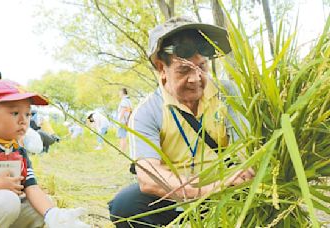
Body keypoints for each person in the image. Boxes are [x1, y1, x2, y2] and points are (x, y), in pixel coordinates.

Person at [108, 16, 255, 227]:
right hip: (175, 198)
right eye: (184, 70)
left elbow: (245, 151)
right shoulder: (146, 112)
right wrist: (207, 190)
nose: (196, 78)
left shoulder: (228, 94)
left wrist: (239, 176)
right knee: (126, 206)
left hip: (229, 192)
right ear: (161, 68)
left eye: (202, 67)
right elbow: (149, 178)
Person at [0, 80, 89, 228]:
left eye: (28, 114)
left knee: (40, 208)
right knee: (7, 200)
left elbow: (31, 187)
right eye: (15, 113)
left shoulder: (19, 152)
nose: (23, 121)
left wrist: (53, 215)